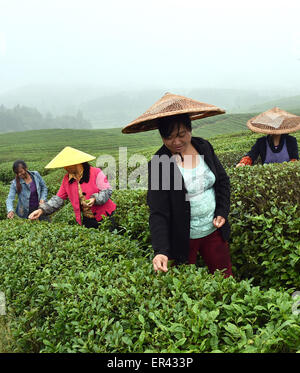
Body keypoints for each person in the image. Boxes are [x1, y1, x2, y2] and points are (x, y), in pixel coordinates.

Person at [122, 92, 233, 277]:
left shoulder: (203, 146)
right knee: (183, 283)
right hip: (182, 238)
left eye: (182, 134)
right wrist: (160, 250)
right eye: (169, 137)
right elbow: (158, 212)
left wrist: (222, 210)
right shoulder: (160, 164)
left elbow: (222, 181)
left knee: (224, 276)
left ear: (190, 129)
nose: (176, 142)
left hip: (214, 230)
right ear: (162, 137)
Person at [28, 146, 116, 228]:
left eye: (67, 164)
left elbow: (107, 190)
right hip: (87, 219)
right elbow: (58, 199)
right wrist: (41, 210)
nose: (65, 168)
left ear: (76, 162)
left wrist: (95, 199)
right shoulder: (67, 179)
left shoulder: (96, 172)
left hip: (106, 216)